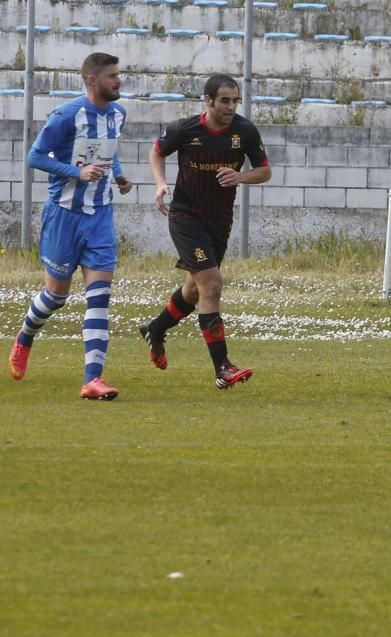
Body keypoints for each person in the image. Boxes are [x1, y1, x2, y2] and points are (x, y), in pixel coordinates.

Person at [7, 52, 132, 400]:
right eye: (111, 76)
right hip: (64, 215)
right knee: (56, 297)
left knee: (100, 298)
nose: (118, 81)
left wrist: (118, 174)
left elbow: (109, 149)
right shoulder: (67, 115)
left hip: (101, 216)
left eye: (118, 75)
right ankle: (25, 336)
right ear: (92, 80)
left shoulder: (119, 113)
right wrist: (77, 173)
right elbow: (34, 157)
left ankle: (93, 379)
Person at [141, 74, 271, 389]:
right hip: (185, 217)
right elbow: (156, 151)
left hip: (218, 221)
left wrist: (241, 177)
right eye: (224, 100)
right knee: (211, 285)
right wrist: (160, 184)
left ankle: (155, 329)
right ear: (209, 100)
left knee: (194, 290)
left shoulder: (245, 131)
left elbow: (264, 170)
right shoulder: (183, 130)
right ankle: (222, 368)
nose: (230, 106)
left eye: (235, 100)